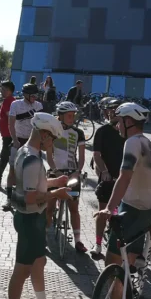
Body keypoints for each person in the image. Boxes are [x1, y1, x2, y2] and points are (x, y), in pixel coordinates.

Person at [95, 102, 151, 299]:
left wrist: (108, 209)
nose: (116, 124)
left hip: (131, 210)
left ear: (128, 122)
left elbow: (124, 176)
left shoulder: (132, 143)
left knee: (114, 264)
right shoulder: (149, 143)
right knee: (125, 264)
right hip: (145, 209)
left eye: (119, 120)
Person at [7, 112, 73, 299]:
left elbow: (34, 184)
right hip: (29, 220)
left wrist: (55, 182)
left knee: (39, 263)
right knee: (21, 271)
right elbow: (30, 197)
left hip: (31, 220)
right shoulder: (33, 159)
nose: (52, 144)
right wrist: (58, 193)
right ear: (44, 135)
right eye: (52, 139)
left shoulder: (26, 153)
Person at [51, 101, 87, 254]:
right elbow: (48, 154)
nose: (72, 118)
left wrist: (77, 171)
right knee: (50, 206)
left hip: (72, 173)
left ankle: (78, 240)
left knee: (74, 207)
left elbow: (82, 156)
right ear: (60, 116)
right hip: (55, 173)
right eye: (69, 116)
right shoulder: (52, 131)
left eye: (73, 116)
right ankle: (46, 234)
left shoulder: (78, 133)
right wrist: (55, 171)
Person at [91, 97, 125, 259]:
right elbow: (97, 155)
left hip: (124, 178)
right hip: (107, 178)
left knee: (122, 213)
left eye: (115, 111)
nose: (111, 114)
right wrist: (104, 171)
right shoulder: (102, 131)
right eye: (109, 111)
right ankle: (97, 245)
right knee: (102, 212)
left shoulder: (126, 132)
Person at [7, 83, 46, 196]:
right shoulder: (16, 104)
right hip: (18, 139)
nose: (35, 98)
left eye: (36, 96)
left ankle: (28, 195)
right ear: (25, 95)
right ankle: (9, 198)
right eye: (32, 96)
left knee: (33, 170)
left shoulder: (38, 105)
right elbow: (11, 123)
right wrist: (14, 140)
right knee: (12, 170)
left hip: (32, 142)